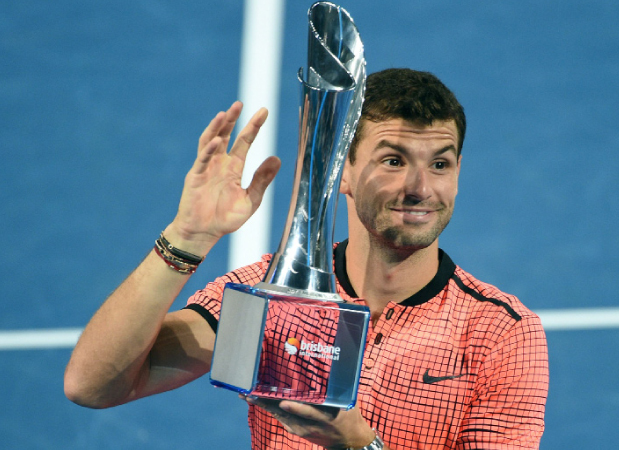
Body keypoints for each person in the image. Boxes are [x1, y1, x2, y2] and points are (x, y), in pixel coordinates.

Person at [64, 68, 549, 449]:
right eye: (394, 161)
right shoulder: (273, 293)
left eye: (440, 164)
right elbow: (95, 386)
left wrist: (359, 446)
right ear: (342, 172)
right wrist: (187, 236)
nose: (421, 188)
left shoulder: (501, 335)